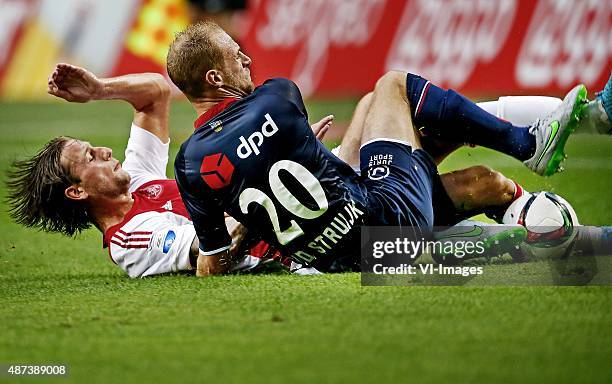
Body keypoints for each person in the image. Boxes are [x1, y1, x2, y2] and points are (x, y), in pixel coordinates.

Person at [7, 63, 538, 278]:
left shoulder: (142, 178)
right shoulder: (131, 238)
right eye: (89, 158)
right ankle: (540, 140)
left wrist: (99, 90)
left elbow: (154, 93)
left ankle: (539, 195)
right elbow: (208, 259)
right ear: (78, 193)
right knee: (399, 96)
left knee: (466, 169)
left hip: (317, 198)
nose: (103, 150)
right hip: (311, 240)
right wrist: (270, 172)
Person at [166, 21, 593, 275]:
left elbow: (214, 262)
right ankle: (528, 142)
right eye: (237, 57)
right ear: (215, 80)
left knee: (482, 183)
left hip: (334, 259)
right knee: (392, 86)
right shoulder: (276, 96)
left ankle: (523, 212)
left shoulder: (189, 163)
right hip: (385, 222)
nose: (248, 62)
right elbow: (271, 140)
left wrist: (247, 225)